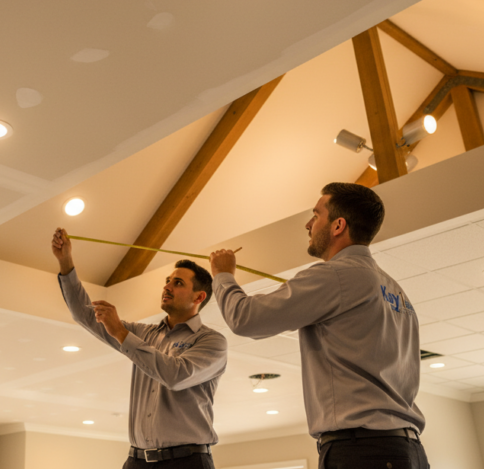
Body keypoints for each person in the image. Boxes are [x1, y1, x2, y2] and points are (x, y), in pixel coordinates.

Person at [208, 183, 429, 469]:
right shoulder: (397, 292)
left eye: (316, 215)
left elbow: (246, 318)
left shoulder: (337, 275)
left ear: (338, 225)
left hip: (363, 450)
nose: (308, 224)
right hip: (405, 450)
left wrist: (223, 276)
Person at [52, 228, 227, 469]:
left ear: (199, 298)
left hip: (187, 462)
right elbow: (84, 315)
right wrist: (65, 262)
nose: (167, 287)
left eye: (178, 283)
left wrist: (121, 333)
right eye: (167, 281)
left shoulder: (211, 341)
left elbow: (176, 376)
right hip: (137, 461)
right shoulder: (144, 334)